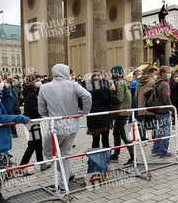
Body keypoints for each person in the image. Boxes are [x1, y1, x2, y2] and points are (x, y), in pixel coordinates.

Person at [38, 64, 91, 192]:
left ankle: (65, 177)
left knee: (49, 153)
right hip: (72, 125)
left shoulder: (44, 87)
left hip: (55, 125)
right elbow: (87, 96)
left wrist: (49, 114)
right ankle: (66, 179)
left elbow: (41, 111)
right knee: (66, 154)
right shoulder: (73, 85)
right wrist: (85, 111)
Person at [0, 81, 31, 203]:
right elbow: (0, 118)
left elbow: (7, 106)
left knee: (3, 170)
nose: (1, 83)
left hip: (2, 142)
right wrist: (20, 118)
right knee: (1, 171)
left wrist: (6, 92)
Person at [20, 75, 50, 173]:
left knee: (38, 143)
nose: (39, 82)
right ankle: (22, 166)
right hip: (32, 122)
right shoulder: (31, 94)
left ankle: (42, 163)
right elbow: (32, 110)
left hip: (34, 121)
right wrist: (42, 111)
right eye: (37, 80)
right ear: (31, 83)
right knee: (33, 144)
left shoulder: (32, 93)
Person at [110, 65, 134, 165]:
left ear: (118, 73)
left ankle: (133, 157)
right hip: (122, 111)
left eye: (114, 73)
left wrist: (110, 95)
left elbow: (119, 99)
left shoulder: (119, 83)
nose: (112, 75)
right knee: (116, 134)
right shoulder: (124, 82)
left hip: (120, 112)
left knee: (124, 135)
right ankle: (116, 154)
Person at [85, 70, 117, 149]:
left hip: (92, 117)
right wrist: (113, 91)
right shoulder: (104, 88)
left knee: (95, 140)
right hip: (104, 117)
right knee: (105, 140)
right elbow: (113, 100)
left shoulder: (87, 88)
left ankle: (96, 159)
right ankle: (105, 159)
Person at [152, 66, 176, 158]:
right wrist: (172, 108)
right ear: (162, 73)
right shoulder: (165, 84)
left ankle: (155, 150)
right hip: (163, 110)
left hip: (157, 109)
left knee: (160, 130)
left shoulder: (156, 82)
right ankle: (163, 152)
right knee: (166, 131)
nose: (169, 73)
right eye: (168, 71)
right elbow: (166, 97)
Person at [135, 67, 158, 140]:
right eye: (155, 73)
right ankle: (154, 138)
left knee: (143, 123)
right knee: (154, 123)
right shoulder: (153, 81)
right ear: (151, 73)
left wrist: (140, 103)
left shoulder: (140, 82)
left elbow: (136, 95)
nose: (155, 75)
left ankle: (142, 137)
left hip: (142, 107)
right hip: (151, 106)